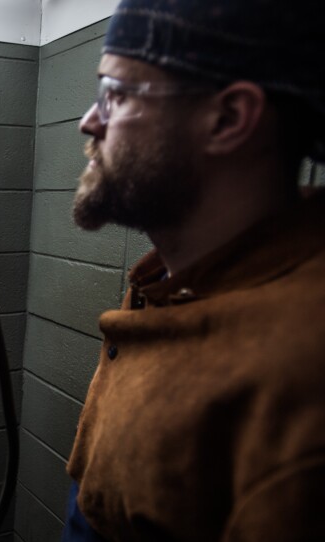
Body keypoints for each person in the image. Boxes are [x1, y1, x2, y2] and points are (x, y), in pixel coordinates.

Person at [63, 0, 325, 540]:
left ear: (227, 119)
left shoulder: (297, 376)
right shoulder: (177, 284)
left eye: (116, 95)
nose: (90, 121)